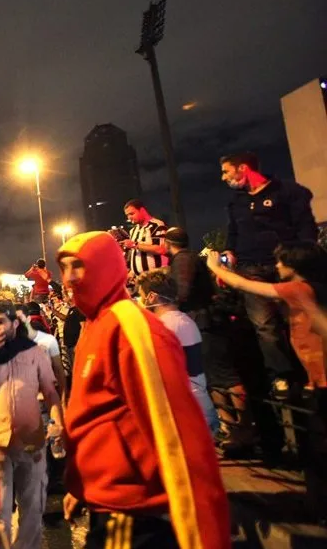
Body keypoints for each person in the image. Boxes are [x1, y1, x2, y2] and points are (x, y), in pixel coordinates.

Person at [57, 231, 229, 549]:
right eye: (63, 268)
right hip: (111, 503)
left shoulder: (130, 328)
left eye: (78, 266)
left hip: (132, 514)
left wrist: (206, 535)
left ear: (105, 267)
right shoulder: (96, 324)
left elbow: (180, 438)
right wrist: (82, 485)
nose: (68, 278)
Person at [0, 300, 63, 549]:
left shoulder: (34, 351)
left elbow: (50, 391)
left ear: (14, 324)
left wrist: (58, 421)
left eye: (1, 322)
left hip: (31, 441)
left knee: (32, 510)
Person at [219, 151, 317, 393]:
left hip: (284, 267)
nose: (223, 178)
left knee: (299, 319)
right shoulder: (236, 202)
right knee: (265, 325)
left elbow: (306, 228)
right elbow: (233, 231)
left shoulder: (287, 192)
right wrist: (230, 251)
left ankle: (312, 371)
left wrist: (301, 260)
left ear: (242, 168)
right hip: (250, 267)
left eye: (226, 171)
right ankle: (283, 376)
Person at [207, 243, 327, 391]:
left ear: (294, 265)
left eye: (281, 261)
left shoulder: (297, 289)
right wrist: (229, 271)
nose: (277, 266)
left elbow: (242, 284)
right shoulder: (312, 288)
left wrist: (215, 267)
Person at [136, 270, 220, 435]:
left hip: (186, 411)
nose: (140, 301)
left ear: (151, 297)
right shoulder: (182, 321)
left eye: (141, 295)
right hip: (193, 406)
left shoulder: (168, 326)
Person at [15, 304, 65, 400]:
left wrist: (62, 401)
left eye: (19, 318)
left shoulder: (47, 340)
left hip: (44, 400)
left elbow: (58, 371)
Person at [121, 199, 168, 283]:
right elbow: (136, 254)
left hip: (155, 278)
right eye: (127, 215)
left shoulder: (157, 225)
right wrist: (132, 272)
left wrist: (135, 244)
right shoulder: (133, 230)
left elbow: (161, 249)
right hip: (140, 280)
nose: (129, 217)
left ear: (142, 210)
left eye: (132, 213)